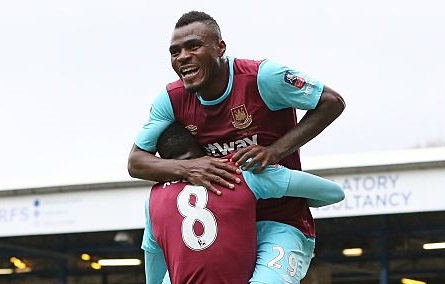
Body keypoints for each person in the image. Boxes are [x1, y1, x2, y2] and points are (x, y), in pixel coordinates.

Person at [128, 11, 345, 282]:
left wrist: (275, 151)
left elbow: (332, 102)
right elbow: (136, 162)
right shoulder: (170, 99)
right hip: (224, 225)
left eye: (193, 46)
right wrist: (189, 167)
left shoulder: (263, 77)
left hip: (280, 221)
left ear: (220, 47)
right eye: (175, 51)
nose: (182, 56)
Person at [142, 122, 345, 283]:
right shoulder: (240, 171)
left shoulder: (153, 199)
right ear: (203, 146)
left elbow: (154, 272)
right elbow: (333, 193)